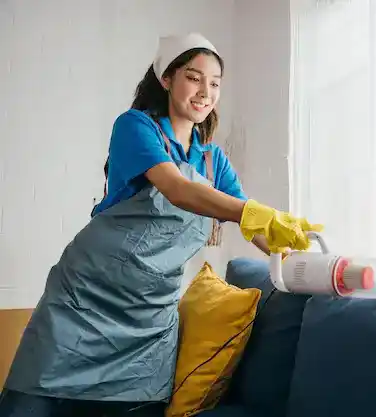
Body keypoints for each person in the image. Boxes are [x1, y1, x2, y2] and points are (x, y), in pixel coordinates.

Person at [0, 33, 322, 417]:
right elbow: (176, 188)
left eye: (215, 83)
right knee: (29, 406)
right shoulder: (136, 127)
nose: (205, 91)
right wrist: (252, 211)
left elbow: (255, 230)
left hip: (148, 324)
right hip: (82, 303)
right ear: (166, 79)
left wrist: (308, 259)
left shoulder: (212, 160)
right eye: (193, 77)